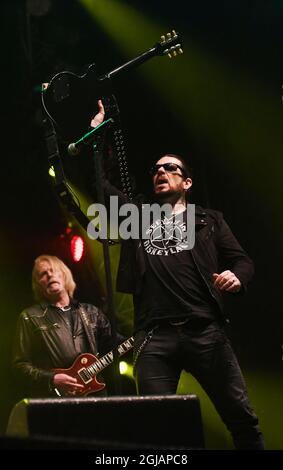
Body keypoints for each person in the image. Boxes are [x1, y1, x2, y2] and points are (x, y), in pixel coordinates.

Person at [91, 100, 264, 449]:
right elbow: (102, 186)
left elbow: (244, 261)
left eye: (169, 168)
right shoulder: (138, 216)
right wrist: (99, 134)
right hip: (155, 338)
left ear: (186, 181)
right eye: (155, 169)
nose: (160, 172)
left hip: (205, 332)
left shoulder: (209, 220)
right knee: (156, 431)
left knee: (241, 418)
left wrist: (236, 276)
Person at [12, 255, 113, 398]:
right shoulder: (29, 317)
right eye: (43, 274)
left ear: (64, 275)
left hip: (95, 396)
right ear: (38, 284)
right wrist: (51, 379)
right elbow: (19, 366)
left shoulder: (91, 312)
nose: (49, 275)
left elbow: (114, 345)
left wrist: (140, 337)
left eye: (53, 270)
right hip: (56, 402)